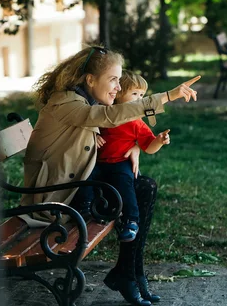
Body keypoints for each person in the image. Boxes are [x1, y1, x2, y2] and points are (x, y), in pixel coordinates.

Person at [21, 46, 200, 306]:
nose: (118, 87)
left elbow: (116, 127)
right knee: (142, 190)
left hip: (78, 185)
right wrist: (169, 96)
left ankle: (131, 273)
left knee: (144, 188)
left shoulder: (85, 100)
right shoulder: (67, 103)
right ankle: (129, 275)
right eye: (113, 79)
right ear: (90, 80)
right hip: (57, 197)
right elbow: (109, 117)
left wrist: (137, 146)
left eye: (119, 79)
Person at [94, 70, 170, 243]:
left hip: (120, 163)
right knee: (87, 182)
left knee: (126, 186)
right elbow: (89, 125)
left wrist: (158, 141)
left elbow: (149, 147)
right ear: (119, 93)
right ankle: (89, 211)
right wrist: (94, 135)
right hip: (97, 162)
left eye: (142, 95)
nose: (139, 99)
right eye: (134, 93)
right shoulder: (103, 112)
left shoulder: (136, 122)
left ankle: (131, 220)